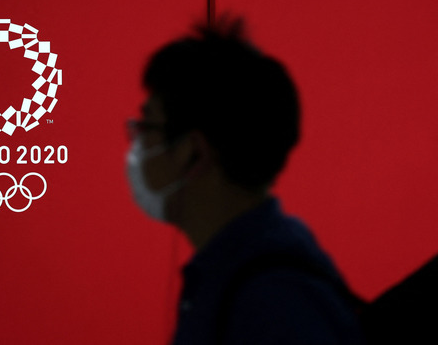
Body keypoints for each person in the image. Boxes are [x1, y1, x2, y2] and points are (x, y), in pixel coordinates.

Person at [125, 17, 365, 344]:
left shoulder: (273, 307)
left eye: (146, 126)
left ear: (193, 153)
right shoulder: (231, 275)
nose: (135, 145)